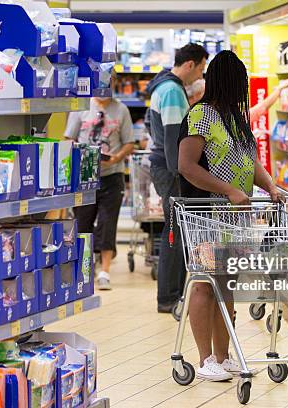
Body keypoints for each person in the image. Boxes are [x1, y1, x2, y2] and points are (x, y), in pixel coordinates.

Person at [177, 50, 284, 381]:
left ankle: (223, 357)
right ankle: (205, 358)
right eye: (241, 84)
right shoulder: (201, 116)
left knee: (227, 285)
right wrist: (228, 190)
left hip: (235, 219)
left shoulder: (236, 120)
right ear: (228, 83)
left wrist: (270, 186)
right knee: (205, 284)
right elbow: (187, 166)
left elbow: (249, 163)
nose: (244, 91)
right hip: (205, 215)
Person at [146, 43, 209, 313]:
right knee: (175, 231)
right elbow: (174, 138)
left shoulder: (164, 86)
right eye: (201, 68)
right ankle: (169, 297)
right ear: (190, 64)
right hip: (171, 169)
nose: (201, 75)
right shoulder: (172, 90)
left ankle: (171, 294)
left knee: (175, 229)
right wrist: (182, 173)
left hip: (166, 167)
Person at [65, 96, 135, 290]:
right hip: (85, 176)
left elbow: (130, 142)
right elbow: (69, 139)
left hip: (112, 176)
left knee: (108, 223)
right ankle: (84, 268)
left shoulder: (121, 109)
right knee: (83, 222)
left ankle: (105, 271)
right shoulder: (80, 107)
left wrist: (117, 157)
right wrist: (81, 153)